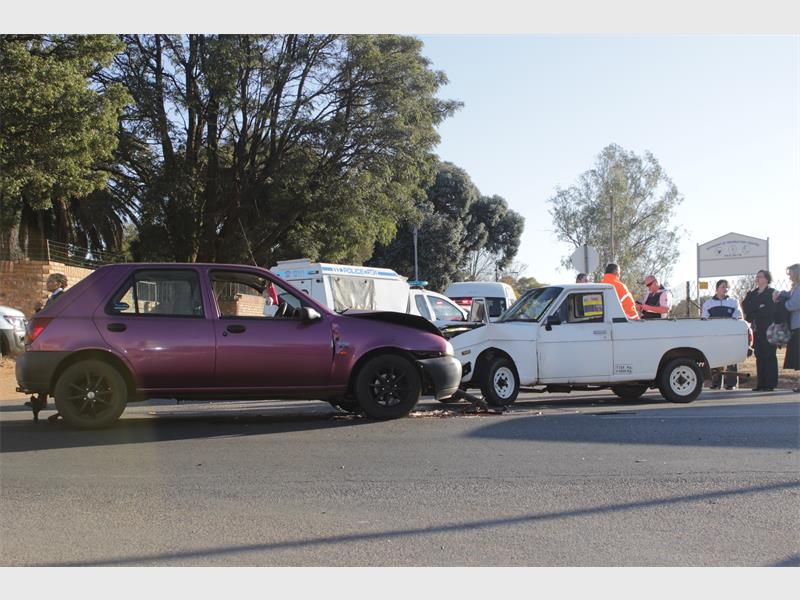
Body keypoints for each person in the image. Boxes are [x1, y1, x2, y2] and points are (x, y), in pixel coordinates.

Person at [26, 273, 69, 416]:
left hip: (57, 338)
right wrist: (39, 310)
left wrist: (39, 310)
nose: (47, 283)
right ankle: (41, 400)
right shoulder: (54, 297)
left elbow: (52, 316)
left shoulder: (61, 297)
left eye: (50, 281)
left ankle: (43, 400)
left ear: (58, 283)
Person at [702, 279, 743, 390]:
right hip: (715, 336)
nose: (725, 289)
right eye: (723, 286)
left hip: (730, 336)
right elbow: (704, 319)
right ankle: (715, 383)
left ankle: (731, 384)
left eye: (727, 287)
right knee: (715, 358)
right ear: (717, 289)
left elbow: (738, 316)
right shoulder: (708, 303)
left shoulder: (733, 302)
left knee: (732, 359)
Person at [742, 269, 778, 391]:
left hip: (768, 329)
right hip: (756, 329)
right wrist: (759, 307)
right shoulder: (752, 293)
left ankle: (770, 384)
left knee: (769, 355)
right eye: (756, 276)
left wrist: (755, 309)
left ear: (766, 279)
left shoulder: (772, 293)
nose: (757, 278)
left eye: (760, 276)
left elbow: (770, 310)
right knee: (760, 356)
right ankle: (761, 383)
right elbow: (746, 306)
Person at [773, 263, 800, 393]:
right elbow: (788, 294)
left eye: (791, 273)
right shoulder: (795, 287)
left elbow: (793, 304)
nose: (789, 276)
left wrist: (782, 304)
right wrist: (780, 294)